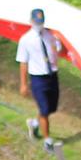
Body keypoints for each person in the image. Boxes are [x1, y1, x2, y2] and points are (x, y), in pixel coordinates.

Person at [16, 8, 63, 151]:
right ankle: (47, 141)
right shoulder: (26, 40)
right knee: (43, 109)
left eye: (41, 22)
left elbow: (57, 50)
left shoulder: (50, 35)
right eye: (37, 22)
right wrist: (23, 84)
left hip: (52, 75)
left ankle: (35, 123)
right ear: (31, 21)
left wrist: (57, 43)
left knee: (51, 108)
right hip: (38, 78)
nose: (39, 25)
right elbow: (23, 63)